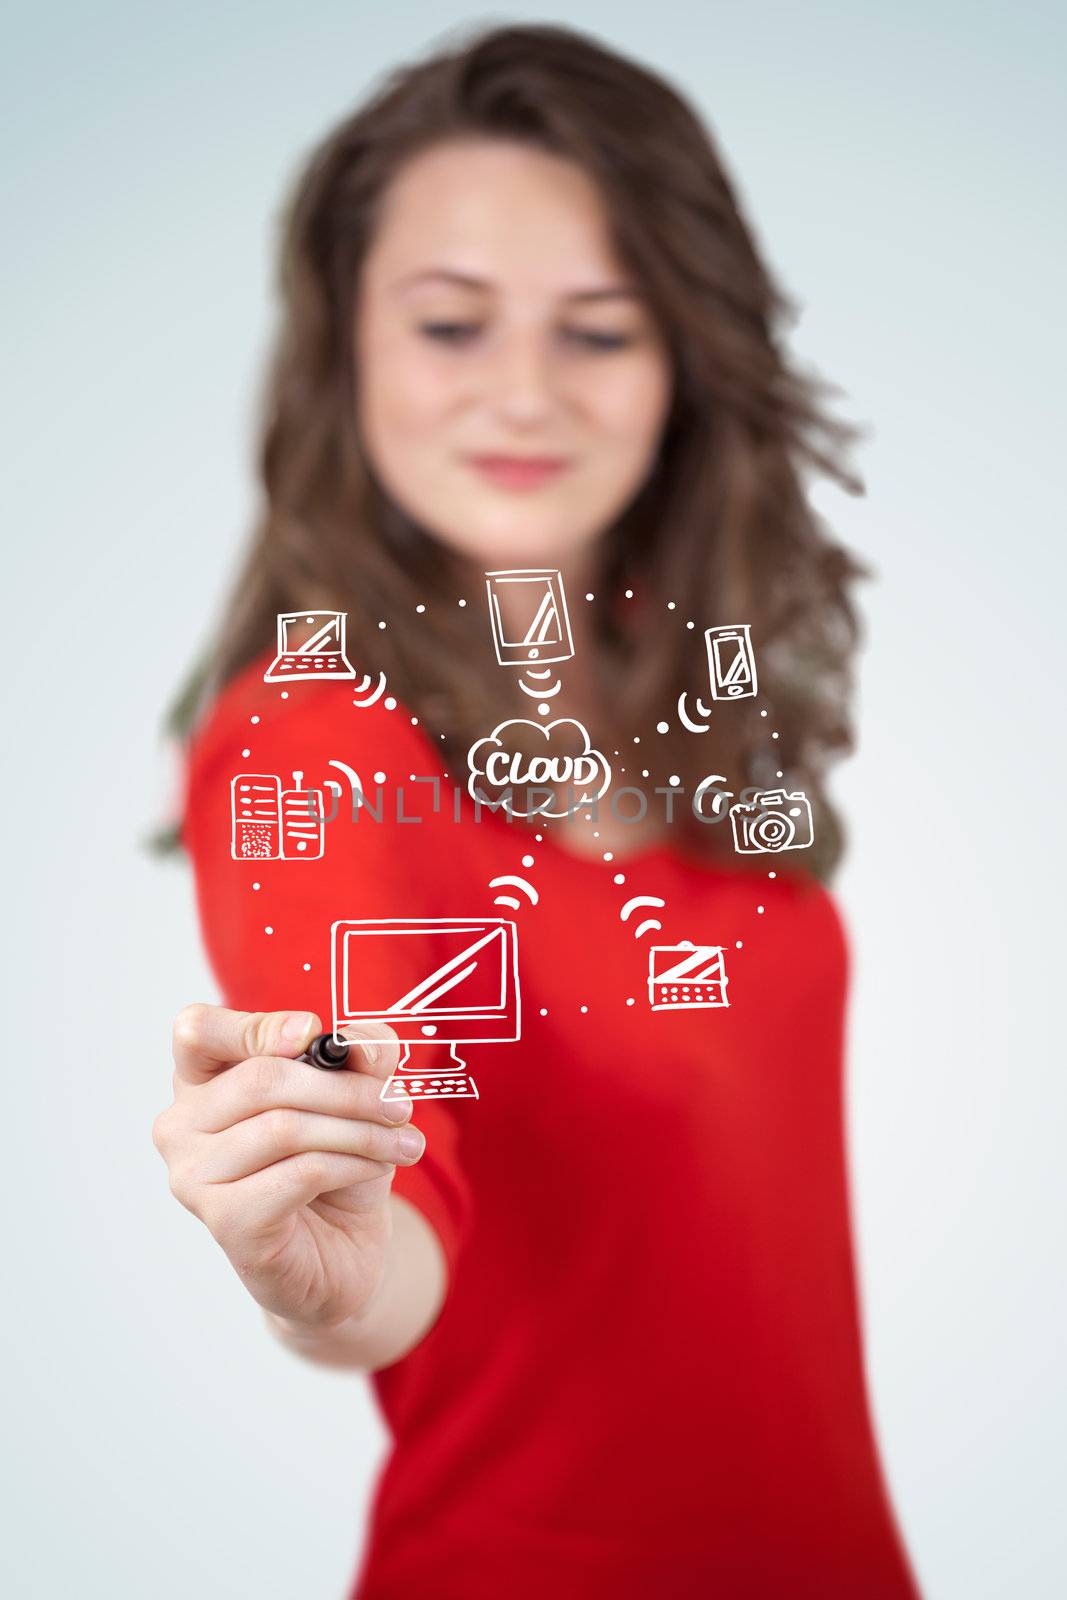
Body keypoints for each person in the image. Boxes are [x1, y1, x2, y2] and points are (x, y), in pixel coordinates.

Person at [151, 22, 922, 1598]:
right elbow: (388, 1193)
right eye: (450, 325)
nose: (523, 393)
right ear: (346, 347)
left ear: (684, 362)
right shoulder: (312, 749)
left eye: (599, 332)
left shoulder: (686, 706)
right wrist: (321, 1277)